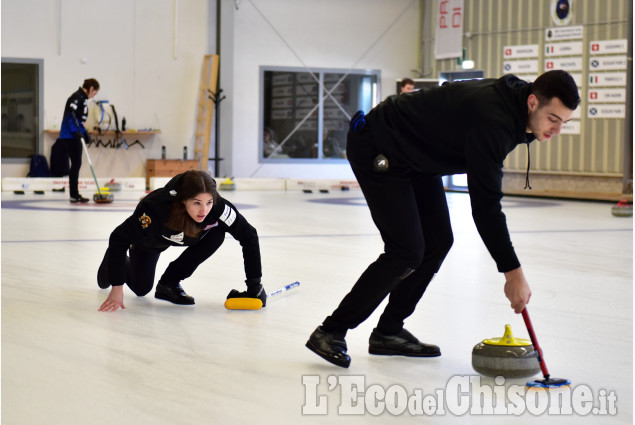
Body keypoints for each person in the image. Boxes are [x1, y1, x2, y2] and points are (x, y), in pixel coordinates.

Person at [306, 70, 581, 368]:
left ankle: (388, 331)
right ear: (532, 102)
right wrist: (513, 274)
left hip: (414, 154)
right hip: (379, 145)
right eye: (553, 119)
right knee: (405, 251)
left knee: (438, 241)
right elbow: (486, 206)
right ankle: (331, 331)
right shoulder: (495, 119)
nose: (557, 130)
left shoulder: (515, 110)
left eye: (563, 123)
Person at [96, 170, 265, 312]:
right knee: (141, 289)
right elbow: (118, 238)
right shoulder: (155, 210)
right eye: (197, 203)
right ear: (183, 200)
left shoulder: (218, 209)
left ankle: (169, 283)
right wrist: (117, 286)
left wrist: (254, 285)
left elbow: (248, 235)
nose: (204, 210)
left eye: (209, 202)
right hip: (150, 242)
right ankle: (110, 264)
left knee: (217, 233)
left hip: (187, 237)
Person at [58, 78, 100, 203]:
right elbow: (70, 116)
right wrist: (75, 132)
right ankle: (74, 194)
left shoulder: (82, 99)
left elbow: (79, 121)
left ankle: (74, 194)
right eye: (94, 93)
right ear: (91, 89)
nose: (93, 96)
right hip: (69, 136)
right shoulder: (76, 98)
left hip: (74, 134)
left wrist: (85, 133)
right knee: (76, 164)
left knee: (76, 164)